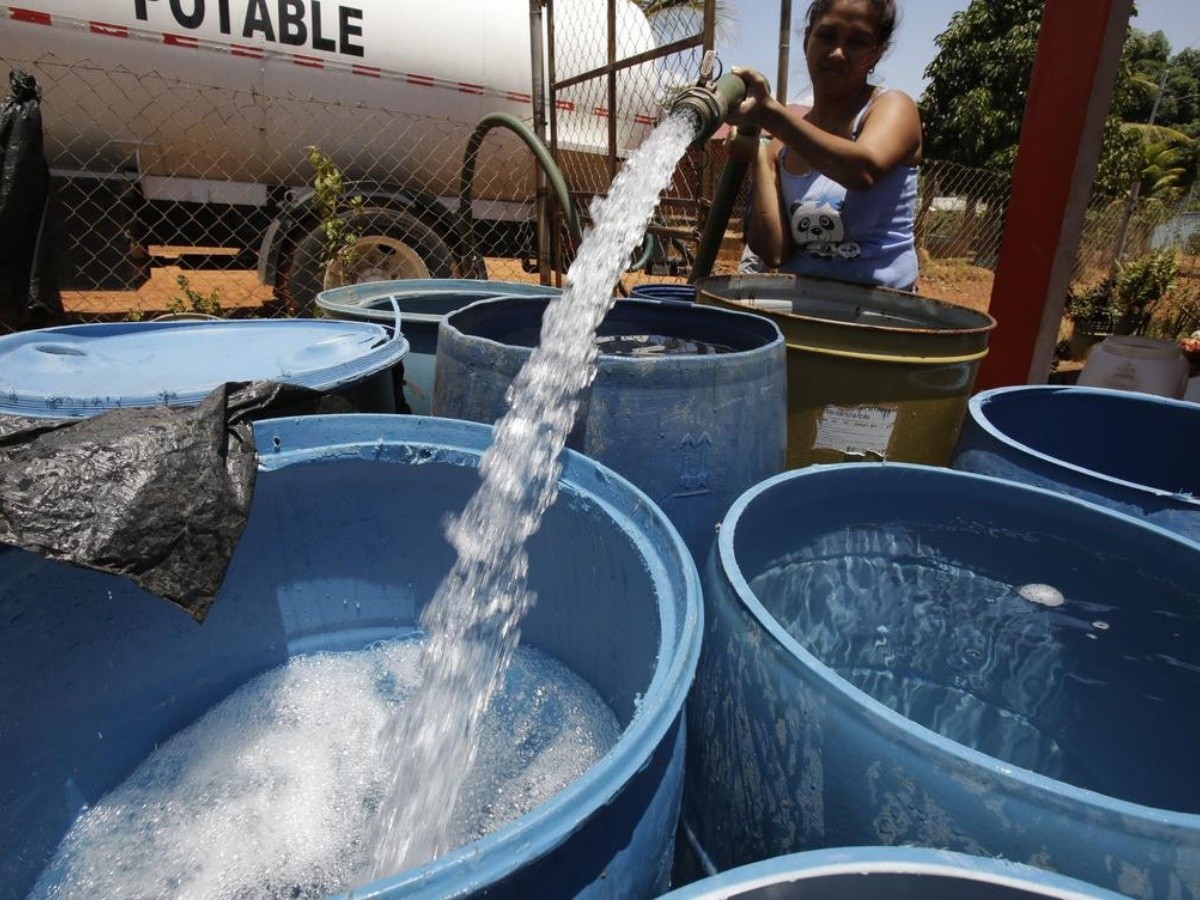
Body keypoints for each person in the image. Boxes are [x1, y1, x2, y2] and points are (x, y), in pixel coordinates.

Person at [726, 0, 922, 291]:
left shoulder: (893, 108)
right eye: (827, 35)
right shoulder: (780, 147)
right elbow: (774, 252)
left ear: (876, 54)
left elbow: (862, 170)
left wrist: (771, 115)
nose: (838, 53)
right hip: (806, 309)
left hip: (881, 316)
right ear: (807, 40)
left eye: (858, 42)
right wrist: (759, 156)